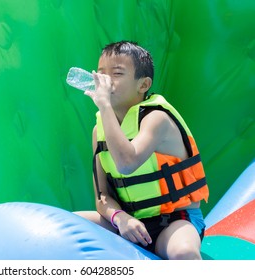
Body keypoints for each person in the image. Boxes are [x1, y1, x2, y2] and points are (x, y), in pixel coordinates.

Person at [75, 40, 209, 260]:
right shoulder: (99, 130)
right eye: (101, 74)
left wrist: (105, 106)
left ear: (143, 84)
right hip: (129, 223)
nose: (105, 81)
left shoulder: (157, 119)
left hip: (175, 221)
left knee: (183, 253)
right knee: (59, 226)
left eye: (117, 74)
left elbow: (127, 163)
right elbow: (102, 197)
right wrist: (119, 217)